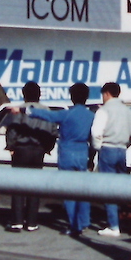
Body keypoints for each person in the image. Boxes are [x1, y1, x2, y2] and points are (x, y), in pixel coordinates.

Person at [29, 82, 95, 237]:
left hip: (67, 153)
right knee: (83, 190)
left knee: (68, 191)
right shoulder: (91, 115)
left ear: (72, 97)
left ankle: (74, 225)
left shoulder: (66, 114)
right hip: (83, 152)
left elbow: (48, 115)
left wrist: (28, 110)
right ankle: (84, 222)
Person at [4, 81, 58, 232]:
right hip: (38, 150)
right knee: (34, 187)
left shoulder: (18, 110)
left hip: (21, 150)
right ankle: (32, 222)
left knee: (18, 186)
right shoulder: (47, 111)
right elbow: (53, 132)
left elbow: (12, 130)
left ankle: (17, 221)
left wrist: (11, 146)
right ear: (39, 95)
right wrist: (47, 148)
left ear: (24, 94)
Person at [90, 81, 131, 237]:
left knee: (108, 188)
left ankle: (113, 225)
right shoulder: (128, 112)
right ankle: (127, 221)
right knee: (122, 187)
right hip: (122, 150)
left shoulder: (103, 110)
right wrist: (124, 144)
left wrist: (99, 147)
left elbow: (96, 132)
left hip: (107, 149)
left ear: (106, 93)